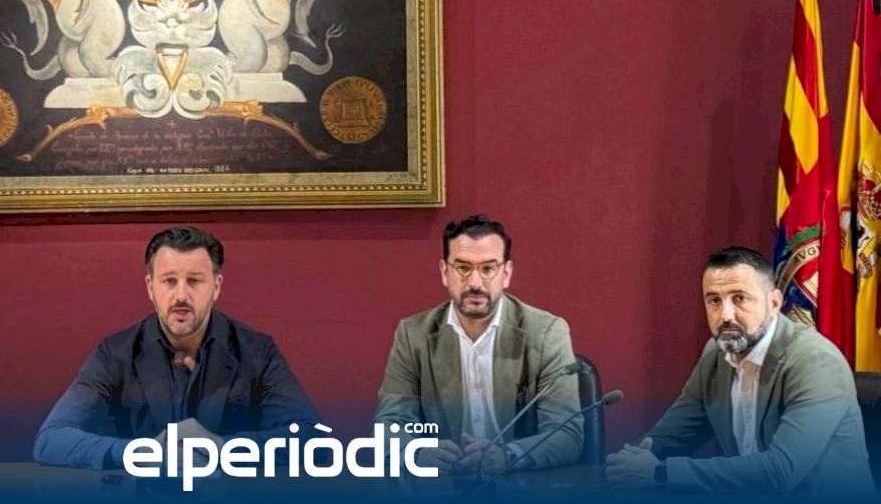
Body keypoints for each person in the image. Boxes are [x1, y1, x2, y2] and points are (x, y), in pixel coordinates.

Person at [33, 225, 320, 469]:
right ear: (150, 287)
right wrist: (139, 453)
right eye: (169, 281)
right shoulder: (114, 354)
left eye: (194, 281)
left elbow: (314, 442)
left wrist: (223, 448)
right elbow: (51, 439)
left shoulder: (257, 351)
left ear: (216, 286)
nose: (181, 295)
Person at [605, 246, 874, 494]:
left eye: (739, 298)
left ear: (774, 303)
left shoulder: (816, 362)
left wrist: (661, 473)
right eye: (714, 300)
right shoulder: (716, 354)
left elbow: (780, 472)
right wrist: (630, 461)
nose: (725, 315)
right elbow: (672, 435)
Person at [374, 215, 582, 479]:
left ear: (506, 273)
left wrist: (508, 455)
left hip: (519, 484)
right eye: (462, 267)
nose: (474, 283)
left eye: (488, 268)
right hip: (444, 484)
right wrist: (418, 453)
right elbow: (387, 427)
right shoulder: (413, 334)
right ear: (444, 272)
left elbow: (567, 434)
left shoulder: (546, 333)